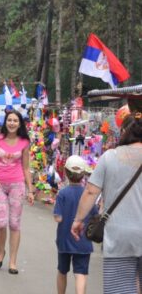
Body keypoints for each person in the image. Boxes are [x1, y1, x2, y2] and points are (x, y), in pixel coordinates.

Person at [71, 113, 142, 294]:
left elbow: (90, 192)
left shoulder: (110, 157)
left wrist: (78, 220)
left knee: (120, 289)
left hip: (120, 236)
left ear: (124, 132)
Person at [0, 109, 34, 274]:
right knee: (1, 222)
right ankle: (1, 251)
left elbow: (26, 167)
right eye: (9, 120)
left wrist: (30, 190)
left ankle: (13, 261)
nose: (12, 123)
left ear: (20, 123)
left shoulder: (24, 142)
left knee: (14, 223)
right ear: (5, 122)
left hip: (17, 184)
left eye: (15, 120)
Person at [54, 155, 97, 294]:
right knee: (81, 273)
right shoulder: (88, 194)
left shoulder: (62, 194)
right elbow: (95, 215)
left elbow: (58, 217)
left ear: (65, 172)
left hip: (64, 240)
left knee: (62, 271)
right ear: (83, 174)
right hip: (83, 240)